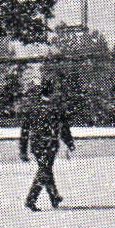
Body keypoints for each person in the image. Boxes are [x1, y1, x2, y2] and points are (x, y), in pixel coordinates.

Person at [19, 83, 75, 211]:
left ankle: (54, 196)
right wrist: (70, 143)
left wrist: (23, 150)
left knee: (46, 169)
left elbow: (24, 131)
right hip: (50, 144)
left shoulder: (33, 109)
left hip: (36, 145)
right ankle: (31, 199)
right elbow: (64, 129)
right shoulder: (56, 109)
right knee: (44, 170)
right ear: (51, 94)